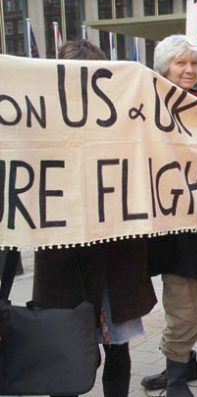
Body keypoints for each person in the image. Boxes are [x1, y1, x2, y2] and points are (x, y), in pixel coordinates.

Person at [32, 40, 157, 397]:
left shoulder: (123, 124)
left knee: (117, 347)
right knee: (66, 350)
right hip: (65, 262)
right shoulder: (40, 126)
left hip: (115, 258)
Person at [144, 35, 197, 397]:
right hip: (178, 237)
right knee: (183, 316)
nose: (189, 70)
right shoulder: (149, 108)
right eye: (181, 63)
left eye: (193, 63)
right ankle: (177, 385)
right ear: (165, 68)